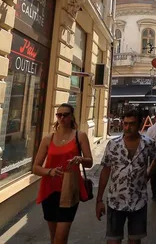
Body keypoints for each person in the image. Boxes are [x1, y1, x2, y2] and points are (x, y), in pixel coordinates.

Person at [96, 109, 156, 244]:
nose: (127, 127)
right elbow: (105, 170)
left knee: (135, 241)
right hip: (115, 200)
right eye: (125, 124)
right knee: (113, 240)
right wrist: (99, 200)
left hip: (138, 200)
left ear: (139, 124)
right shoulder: (113, 145)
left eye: (132, 124)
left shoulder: (148, 143)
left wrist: (148, 172)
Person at [33, 104, 93, 244]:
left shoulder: (80, 136)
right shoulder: (48, 139)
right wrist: (50, 171)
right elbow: (36, 168)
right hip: (49, 191)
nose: (61, 118)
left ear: (72, 116)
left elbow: (89, 162)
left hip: (69, 190)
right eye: (59, 115)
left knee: (60, 238)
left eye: (65, 115)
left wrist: (81, 159)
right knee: (54, 237)